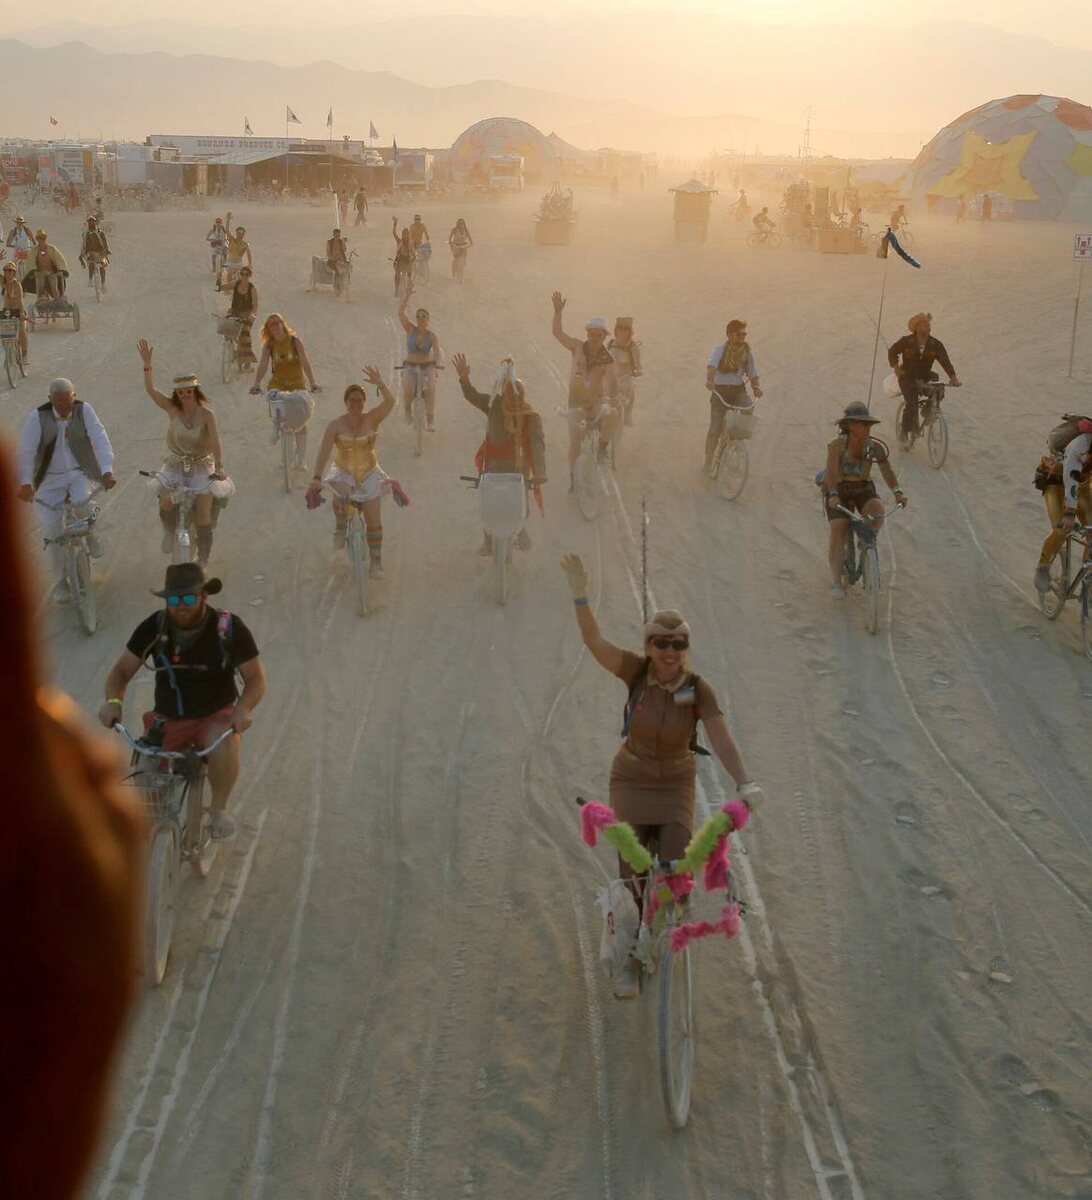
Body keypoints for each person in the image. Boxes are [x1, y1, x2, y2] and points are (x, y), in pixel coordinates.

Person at [0, 442, 143, 1200]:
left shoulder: (78, 418)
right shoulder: (37, 424)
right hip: (50, 489)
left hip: (78, 484)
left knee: (85, 518)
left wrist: (105, 468)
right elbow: (26, 454)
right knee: (57, 538)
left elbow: (100, 444)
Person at [559, 554, 763, 998]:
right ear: (649, 646)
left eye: (678, 643)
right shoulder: (635, 671)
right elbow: (594, 641)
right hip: (631, 779)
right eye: (661, 643)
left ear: (686, 647)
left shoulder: (698, 689)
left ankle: (662, 929)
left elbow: (721, 737)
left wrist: (745, 782)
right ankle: (631, 959)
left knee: (675, 870)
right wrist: (580, 595)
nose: (670, 652)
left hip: (674, 784)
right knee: (633, 869)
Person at [97, 562, 266, 843]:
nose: (180, 606)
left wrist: (243, 708)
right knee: (145, 784)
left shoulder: (228, 628)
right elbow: (121, 671)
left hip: (216, 716)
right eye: (173, 600)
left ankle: (218, 809)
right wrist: (113, 701)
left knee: (224, 745)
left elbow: (256, 679)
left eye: (188, 598)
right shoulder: (154, 626)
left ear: (204, 596)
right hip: (169, 719)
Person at [16, 378, 117, 602]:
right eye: (58, 401)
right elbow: (26, 452)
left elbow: (100, 438)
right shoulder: (37, 417)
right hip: (48, 479)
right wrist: (25, 483)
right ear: (50, 399)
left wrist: (107, 470)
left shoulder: (84, 410)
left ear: (74, 396)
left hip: (79, 472)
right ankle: (61, 582)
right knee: (52, 531)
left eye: (67, 400)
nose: (63, 406)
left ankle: (92, 536)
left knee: (83, 503)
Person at [137, 340, 231, 566]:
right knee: (166, 501)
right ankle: (169, 533)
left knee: (203, 514)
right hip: (176, 464)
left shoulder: (207, 415)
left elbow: (215, 441)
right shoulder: (172, 409)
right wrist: (147, 365)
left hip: (202, 465)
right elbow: (151, 390)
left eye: (189, 391)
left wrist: (219, 466)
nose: (185, 395)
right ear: (176, 394)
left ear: (195, 391)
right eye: (181, 392)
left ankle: (203, 559)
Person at [452, 352, 546, 556]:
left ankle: (521, 529)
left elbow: (538, 444)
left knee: (522, 503)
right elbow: (472, 396)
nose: (515, 399)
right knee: (488, 504)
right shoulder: (493, 406)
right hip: (492, 466)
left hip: (518, 469)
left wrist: (540, 473)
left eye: (519, 395)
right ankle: (488, 541)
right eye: (511, 395)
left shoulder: (531, 416)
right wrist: (464, 379)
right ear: (504, 394)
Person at [307, 367, 398, 574]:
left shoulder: (372, 418)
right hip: (344, 471)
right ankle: (341, 527)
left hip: (369, 471)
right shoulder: (335, 425)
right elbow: (324, 451)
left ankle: (376, 562)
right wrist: (317, 477)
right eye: (352, 400)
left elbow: (391, 402)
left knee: (374, 519)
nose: (356, 404)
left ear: (364, 402)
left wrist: (380, 384)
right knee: (341, 496)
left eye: (359, 400)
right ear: (345, 402)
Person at [820, 402, 908, 597]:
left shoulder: (875, 447)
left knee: (877, 514)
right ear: (851, 425)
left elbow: (886, 469)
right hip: (839, 489)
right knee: (838, 527)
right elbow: (832, 472)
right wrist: (832, 494)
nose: (868, 428)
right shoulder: (836, 446)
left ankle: (866, 542)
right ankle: (836, 582)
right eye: (863, 424)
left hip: (863, 488)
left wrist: (898, 492)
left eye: (869, 424)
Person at [551, 292, 621, 475]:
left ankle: (602, 449)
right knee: (575, 440)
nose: (595, 336)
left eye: (599, 334)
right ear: (587, 333)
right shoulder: (577, 347)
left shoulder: (608, 359)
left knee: (613, 414)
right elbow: (558, 333)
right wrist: (558, 313)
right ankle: (573, 479)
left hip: (595, 403)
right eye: (592, 333)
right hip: (576, 402)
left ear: (604, 336)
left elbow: (613, 383)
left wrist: (612, 400)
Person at [250, 314, 320, 465]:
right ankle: (276, 426)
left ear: (283, 324)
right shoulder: (269, 345)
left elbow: (305, 362)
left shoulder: (295, 342)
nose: (275, 327)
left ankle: (301, 457)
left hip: (297, 384)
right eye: (271, 325)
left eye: (277, 323)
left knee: (300, 420)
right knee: (275, 403)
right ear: (268, 328)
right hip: (278, 383)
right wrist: (256, 384)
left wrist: (312, 382)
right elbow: (263, 365)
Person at [1033, 417, 1092, 593]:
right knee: (1061, 529)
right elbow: (1071, 477)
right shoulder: (1080, 444)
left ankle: (1088, 580)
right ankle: (1042, 567)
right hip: (1056, 485)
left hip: (1082, 488)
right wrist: (1070, 512)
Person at [887, 312, 960, 444]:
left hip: (926, 376)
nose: (928, 327)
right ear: (917, 327)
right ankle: (904, 433)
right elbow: (892, 352)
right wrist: (897, 369)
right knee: (912, 404)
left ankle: (928, 410)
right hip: (907, 377)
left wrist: (953, 377)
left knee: (938, 390)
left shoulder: (935, 344)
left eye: (928, 324)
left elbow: (945, 361)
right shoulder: (906, 341)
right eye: (924, 325)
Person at [704, 319, 763, 474]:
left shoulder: (747, 353)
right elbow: (712, 367)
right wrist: (710, 380)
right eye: (739, 334)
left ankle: (735, 440)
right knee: (715, 428)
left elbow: (752, 373)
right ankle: (708, 462)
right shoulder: (719, 350)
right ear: (730, 335)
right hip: (720, 392)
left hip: (738, 391)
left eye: (744, 334)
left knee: (748, 407)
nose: (743, 337)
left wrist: (756, 387)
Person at [397, 290, 442, 430]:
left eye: (424, 316)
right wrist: (407, 296)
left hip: (427, 366)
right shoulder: (410, 329)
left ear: (428, 320)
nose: (421, 318)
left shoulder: (432, 336)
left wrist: (436, 364)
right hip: (410, 365)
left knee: (431, 389)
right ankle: (407, 411)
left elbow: (436, 351)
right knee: (408, 386)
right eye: (418, 316)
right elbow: (400, 313)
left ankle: (430, 418)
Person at [609, 317, 643, 427]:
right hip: (611, 379)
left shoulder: (632, 347)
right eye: (620, 328)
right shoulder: (611, 344)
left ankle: (627, 417)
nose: (622, 331)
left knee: (628, 398)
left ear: (630, 331)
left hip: (625, 380)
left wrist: (637, 372)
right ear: (616, 330)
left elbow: (638, 367)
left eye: (626, 328)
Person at [225, 266, 258, 366]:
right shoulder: (235, 284)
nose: (244, 276)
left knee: (245, 334)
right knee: (227, 326)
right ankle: (233, 350)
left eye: (246, 274)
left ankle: (247, 360)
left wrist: (251, 315)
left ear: (250, 276)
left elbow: (255, 305)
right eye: (242, 274)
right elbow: (223, 287)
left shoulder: (252, 289)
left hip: (247, 313)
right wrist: (218, 282)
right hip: (234, 311)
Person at [24, 228, 68, 301]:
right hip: (40, 273)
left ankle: (57, 301)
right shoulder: (34, 251)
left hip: (52, 273)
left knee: (54, 284)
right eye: (40, 238)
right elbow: (30, 263)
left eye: (44, 238)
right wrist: (36, 273)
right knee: (40, 282)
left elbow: (60, 260)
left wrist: (60, 271)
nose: (42, 240)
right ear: (37, 239)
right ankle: (40, 300)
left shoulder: (52, 249)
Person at [2, 260, 30, 363]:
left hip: (18, 311)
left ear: (14, 273)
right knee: (3, 332)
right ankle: (8, 352)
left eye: (10, 271)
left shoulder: (17, 285)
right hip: (6, 311)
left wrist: (22, 314)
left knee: (22, 330)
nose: (8, 273)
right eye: (6, 271)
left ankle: (24, 353)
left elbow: (20, 301)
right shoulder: (3, 283)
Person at [79, 215, 111, 292]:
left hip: (100, 252)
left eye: (92, 221)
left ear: (95, 223)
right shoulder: (85, 234)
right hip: (90, 252)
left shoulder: (100, 232)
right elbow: (83, 245)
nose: (91, 223)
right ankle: (90, 279)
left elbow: (104, 243)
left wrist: (106, 252)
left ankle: (103, 284)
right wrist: (81, 255)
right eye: (89, 222)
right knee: (91, 262)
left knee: (102, 266)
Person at [391, 218, 416, 296]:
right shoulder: (399, 241)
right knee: (397, 274)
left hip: (407, 261)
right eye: (404, 234)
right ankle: (396, 289)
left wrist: (414, 257)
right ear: (402, 235)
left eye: (406, 234)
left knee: (410, 272)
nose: (405, 236)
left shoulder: (410, 243)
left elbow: (412, 252)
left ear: (408, 235)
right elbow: (394, 233)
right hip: (399, 260)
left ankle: (409, 286)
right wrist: (395, 223)